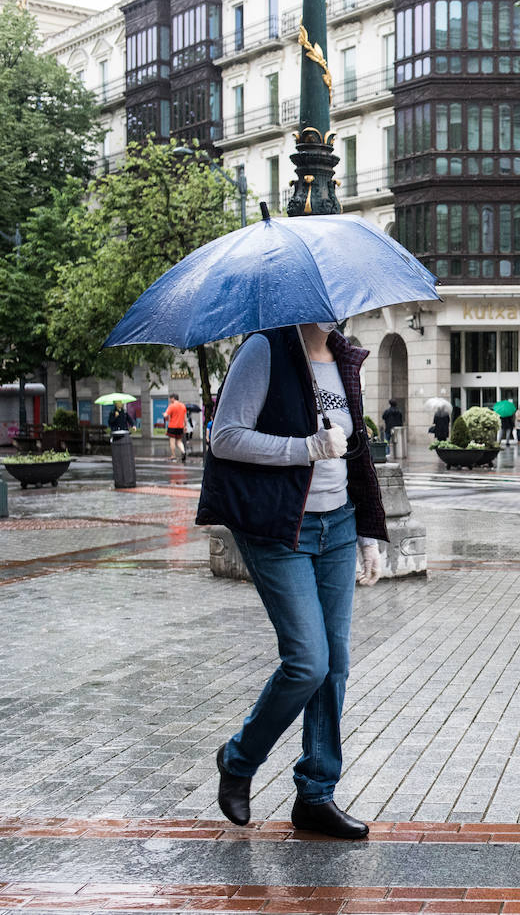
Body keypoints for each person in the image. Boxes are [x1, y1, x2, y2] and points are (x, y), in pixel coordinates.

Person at [196, 322, 387, 840]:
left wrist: (368, 532)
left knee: (336, 665)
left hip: (338, 524)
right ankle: (238, 761)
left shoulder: (344, 354)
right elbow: (226, 437)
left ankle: (316, 795)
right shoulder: (264, 349)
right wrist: (305, 448)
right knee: (307, 662)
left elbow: (357, 453)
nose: (335, 309)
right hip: (281, 526)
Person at [164, 393, 188, 462]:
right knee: (179, 441)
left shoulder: (171, 406)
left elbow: (166, 415)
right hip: (180, 426)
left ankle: (173, 455)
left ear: (173, 398)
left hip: (172, 426)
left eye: (170, 398)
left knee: (172, 441)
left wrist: (164, 414)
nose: (169, 400)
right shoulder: (183, 406)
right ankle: (183, 451)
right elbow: (185, 418)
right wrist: (185, 426)